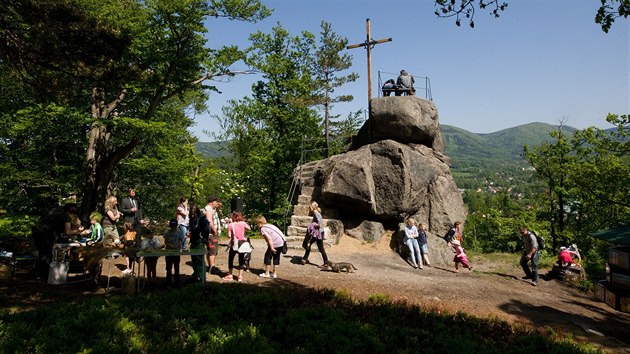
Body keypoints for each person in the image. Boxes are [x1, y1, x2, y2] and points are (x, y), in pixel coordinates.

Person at [223, 211, 251, 282]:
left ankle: (230, 275)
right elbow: (249, 228)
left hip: (234, 244)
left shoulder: (230, 225)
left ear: (233, 217)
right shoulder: (243, 223)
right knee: (241, 260)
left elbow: (229, 236)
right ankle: (240, 276)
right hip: (242, 244)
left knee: (231, 259)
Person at [300, 201, 329, 267]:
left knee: (320, 248)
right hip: (316, 233)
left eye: (310, 207)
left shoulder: (316, 212)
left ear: (312, 207)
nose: (309, 208)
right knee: (308, 244)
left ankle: (326, 263)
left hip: (318, 233)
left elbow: (320, 224)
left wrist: (313, 226)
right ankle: (304, 259)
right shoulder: (315, 212)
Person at [188, 206, 206, 282]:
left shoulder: (202, 220)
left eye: (194, 213)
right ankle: (196, 275)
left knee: (200, 261)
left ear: (197, 213)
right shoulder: (191, 220)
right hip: (193, 242)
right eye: (191, 214)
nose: (192, 215)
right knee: (194, 260)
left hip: (200, 242)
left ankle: (202, 278)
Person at [204, 196, 221, 274]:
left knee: (210, 251)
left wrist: (219, 206)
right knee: (212, 251)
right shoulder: (209, 210)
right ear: (212, 202)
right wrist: (215, 230)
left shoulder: (211, 209)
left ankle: (210, 266)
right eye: (216, 202)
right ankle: (212, 268)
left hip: (211, 234)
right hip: (211, 234)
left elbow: (217, 210)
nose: (217, 203)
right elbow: (209, 221)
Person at [163, 219, 182, 286]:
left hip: (176, 252)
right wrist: (169, 245)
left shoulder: (179, 232)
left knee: (176, 267)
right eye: (172, 226)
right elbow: (165, 241)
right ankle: (168, 281)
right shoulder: (167, 232)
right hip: (168, 252)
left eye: (174, 226)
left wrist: (178, 245)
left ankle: (177, 281)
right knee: (168, 267)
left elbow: (180, 240)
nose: (173, 228)